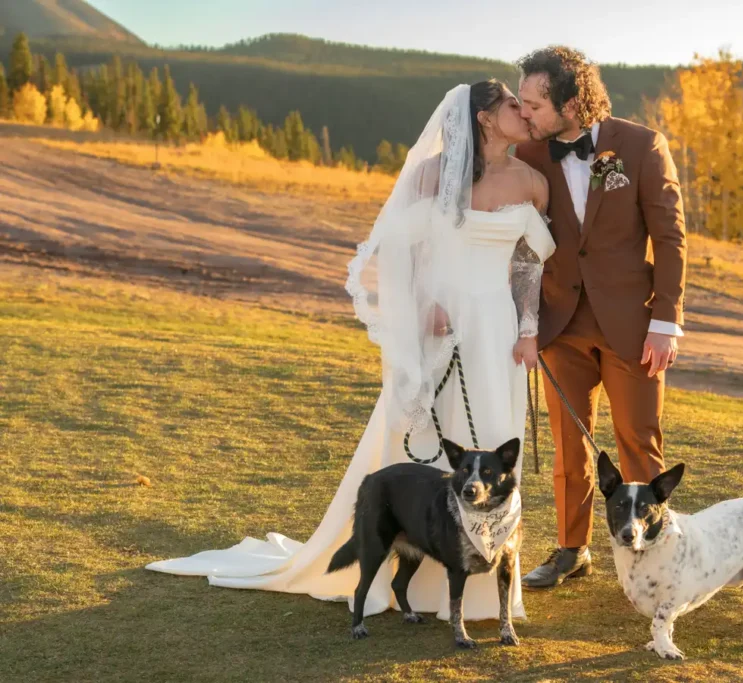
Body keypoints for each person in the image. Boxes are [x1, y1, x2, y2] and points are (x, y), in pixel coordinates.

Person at [147, 80, 555, 623]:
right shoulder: (432, 175)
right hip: (442, 326)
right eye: (512, 105)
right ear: (483, 117)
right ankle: (407, 569)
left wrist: (528, 328)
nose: (524, 114)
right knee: (427, 441)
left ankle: (485, 585)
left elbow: (529, 265)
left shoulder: (532, 181)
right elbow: (400, 251)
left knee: (494, 440)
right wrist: (425, 305)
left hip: (496, 331)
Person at [514, 47, 688, 589]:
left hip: (633, 329)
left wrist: (666, 320)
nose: (524, 114)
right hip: (559, 325)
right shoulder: (528, 154)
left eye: (533, 103)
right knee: (571, 445)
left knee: (639, 441)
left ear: (569, 102)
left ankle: (651, 555)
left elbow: (670, 239)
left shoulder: (640, 145)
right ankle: (572, 549)